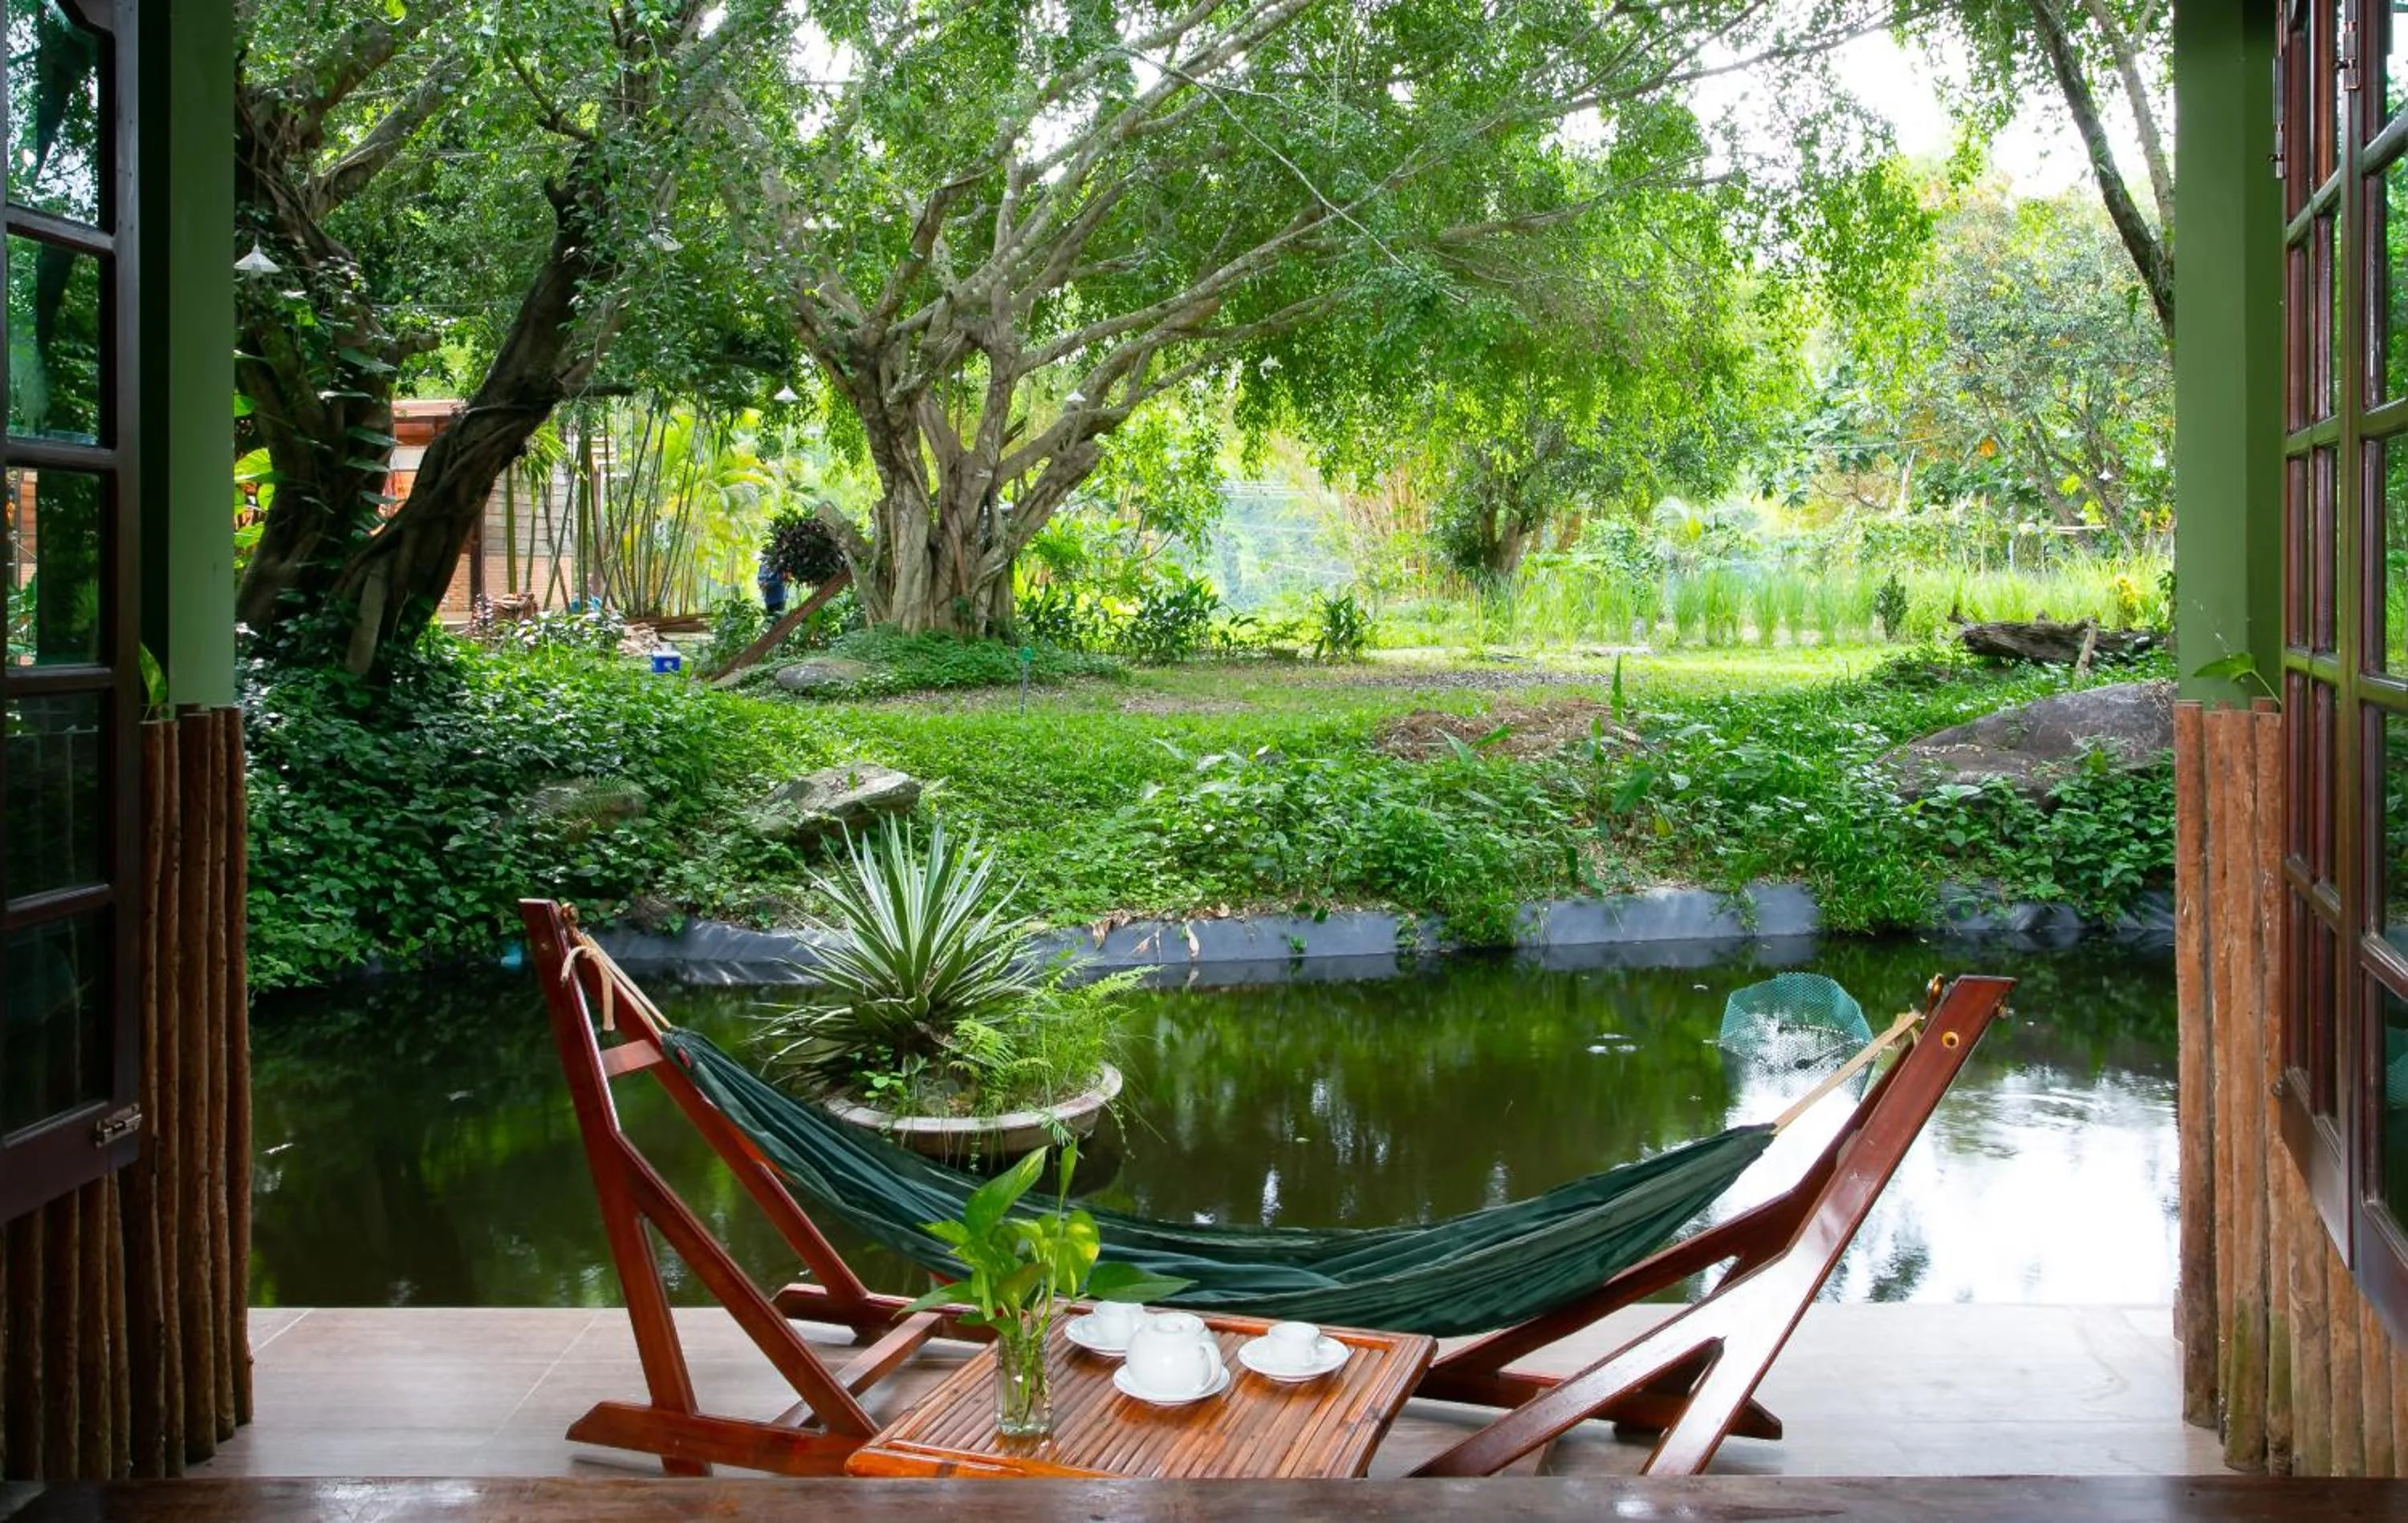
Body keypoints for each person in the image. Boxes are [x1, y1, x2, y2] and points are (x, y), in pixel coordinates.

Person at [756, 548, 788, 619]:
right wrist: (760, 584)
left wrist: (768, 584)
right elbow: (759, 578)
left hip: (778, 597)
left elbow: (780, 580)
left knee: (779, 620)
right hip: (768, 599)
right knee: (770, 620)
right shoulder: (762, 566)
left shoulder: (778, 566)